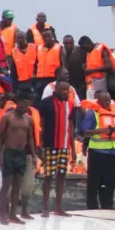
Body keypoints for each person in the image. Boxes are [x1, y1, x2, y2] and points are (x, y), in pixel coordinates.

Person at [0, 89, 37, 225]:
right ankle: (3, 214)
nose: (27, 107)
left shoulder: (29, 119)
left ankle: (13, 214)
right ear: (19, 103)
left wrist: (34, 154)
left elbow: (30, 138)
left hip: (21, 154)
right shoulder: (8, 117)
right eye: (25, 104)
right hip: (9, 152)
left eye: (29, 104)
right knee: (6, 185)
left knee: (17, 186)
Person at [35, 80, 76, 217]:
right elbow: (40, 123)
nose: (66, 93)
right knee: (48, 176)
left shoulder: (70, 104)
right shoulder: (46, 103)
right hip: (50, 144)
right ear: (56, 90)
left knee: (62, 175)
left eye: (68, 91)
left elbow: (70, 125)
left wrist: (73, 150)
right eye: (63, 90)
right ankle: (45, 208)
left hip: (64, 146)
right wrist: (39, 144)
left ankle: (59, 208)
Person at [79, 91, 115, 210]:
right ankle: (92, 208)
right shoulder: (92, 113)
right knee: (94, 183)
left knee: (110, 183)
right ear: (98, 101)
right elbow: (83, 132)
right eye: (105, 100)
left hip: (112, 154)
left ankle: (107, 208)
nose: (108, 103)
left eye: (109, 100)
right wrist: (99, 131)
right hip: (97, 154)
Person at [35, 30, 64, 100]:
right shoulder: (38, 48)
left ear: (53, 37)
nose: (47, 38)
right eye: (44, 37)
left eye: (48, 36)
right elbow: (36, 63)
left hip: (53, 78)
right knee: (38, 99)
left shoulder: (59, 48)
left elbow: (63, 64)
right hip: (40, 79)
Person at [8, 30, 37, 95]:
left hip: (34, 80)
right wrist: (14, 89)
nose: (20, 40)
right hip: (22, 82)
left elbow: (38, 62)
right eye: (18, 38)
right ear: (15, 40)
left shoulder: (34, 47)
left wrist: (35, 73)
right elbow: (13, 71)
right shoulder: (13, 51)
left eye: (22, 37)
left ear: (25, 38)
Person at [62, 34, 86, 101]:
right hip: (68, 82)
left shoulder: (81, 51)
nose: (68, 45)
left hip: (80, 82)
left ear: (73, 42)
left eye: (70, 43)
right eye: (66, 43)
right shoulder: (62, 52)